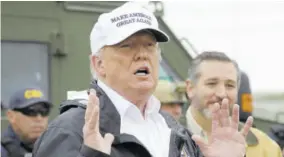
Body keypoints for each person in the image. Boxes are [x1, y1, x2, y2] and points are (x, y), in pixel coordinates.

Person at [33, 2, 253, 157]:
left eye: (150, 45)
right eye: (126, 46)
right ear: (98, 64)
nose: (142, 54)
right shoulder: (68, 132)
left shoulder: (172, 130)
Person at [185, 51, 282, 157]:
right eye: (211, 83)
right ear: (190, 88)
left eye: (230, 85)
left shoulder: (265, 147)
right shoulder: (166, 138)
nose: (222, 93)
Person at [1, 87, 53, 157]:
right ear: (11, 116)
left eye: (44, 111)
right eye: (31, 111)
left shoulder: (57, 147)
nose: (39, 118)